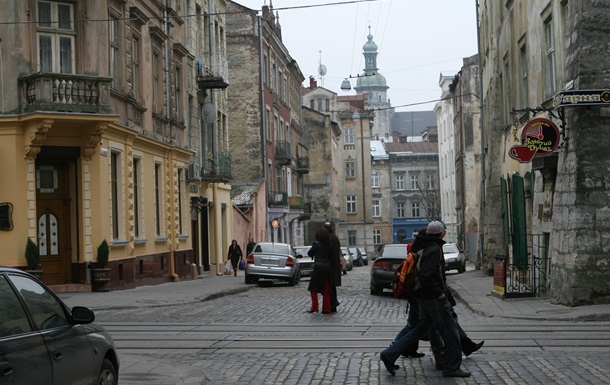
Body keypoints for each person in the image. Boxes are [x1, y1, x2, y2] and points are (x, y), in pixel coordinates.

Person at [379, 220, 471, 378]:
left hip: (421, 296)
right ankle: (451, 367)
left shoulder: (422, 245)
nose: (445, 233)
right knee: (451, 330)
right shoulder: (433, 249)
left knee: (420, 328)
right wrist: (439, 293)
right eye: (444, 231)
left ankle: (389, 354)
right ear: (441, 233)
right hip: (432, 297)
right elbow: (427, 275)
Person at [307, 228, 333, 313]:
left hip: (318, 268)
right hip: (327, 268)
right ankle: (326, 308)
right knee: (326, 289)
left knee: (313, 288)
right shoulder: (329, 245)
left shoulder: (316, 244)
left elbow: (309, 253)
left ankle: (315, 307)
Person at [324, 222, 341, 312]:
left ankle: (332, 303)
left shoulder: (328, 238)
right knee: (332, 285)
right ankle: (333, 303)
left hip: (330, 265)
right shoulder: (335, 237)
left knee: (329, 286)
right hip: (335, 264)